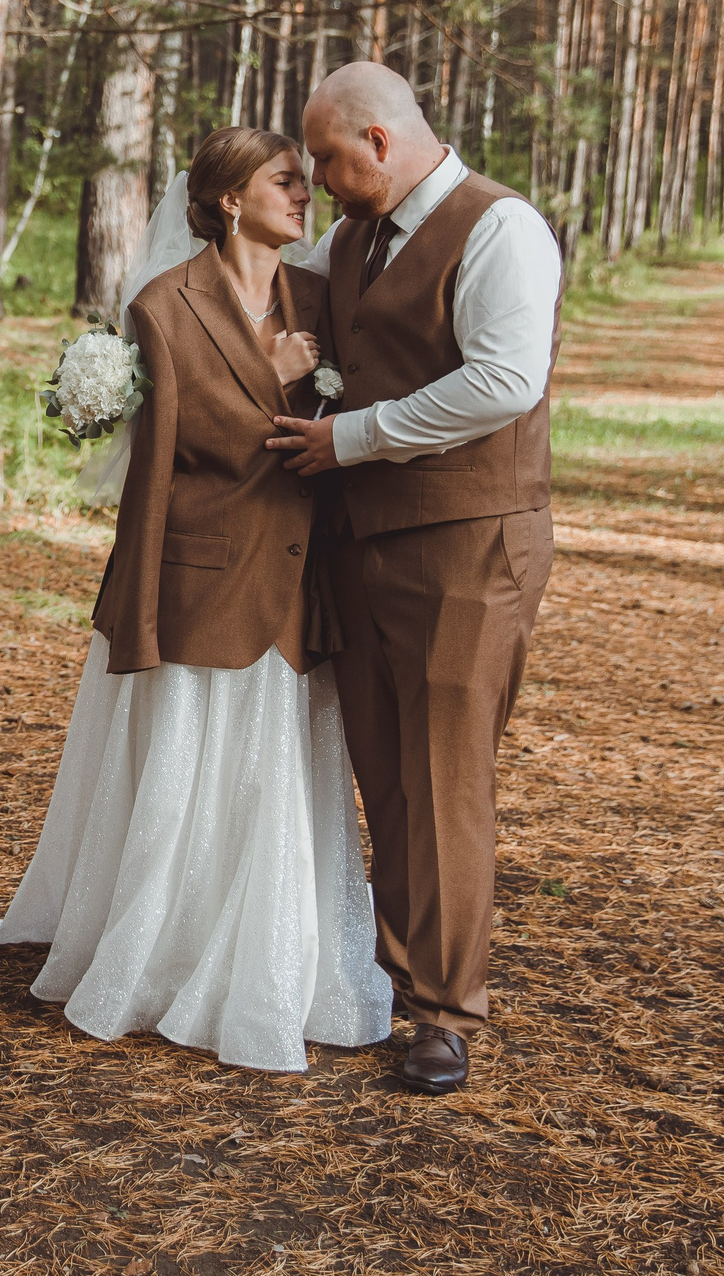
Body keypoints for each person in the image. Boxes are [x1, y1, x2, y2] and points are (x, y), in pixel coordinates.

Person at [0, 125, 392, 1073]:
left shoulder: (319, 296)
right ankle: (164, 958)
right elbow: (173, 449)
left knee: (278, 779)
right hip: (202, 577)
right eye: (285, 180)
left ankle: (278, 964)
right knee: (189, 775)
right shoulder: (163, 304)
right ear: (231, 199)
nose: (306, 193)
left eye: (306, 179)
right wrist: (275, 375)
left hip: (298, 580)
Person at [266, 60, 564, 1095]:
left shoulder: (501, 228)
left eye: (326, 157)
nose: (318, 179)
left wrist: (350, 439)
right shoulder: (354, 238)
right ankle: (397, 975)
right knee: (385, 772)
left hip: (467, 544)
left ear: (379, 141)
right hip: (362, 543)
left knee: (445, 776)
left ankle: (444, 1012)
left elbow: (503, 381)